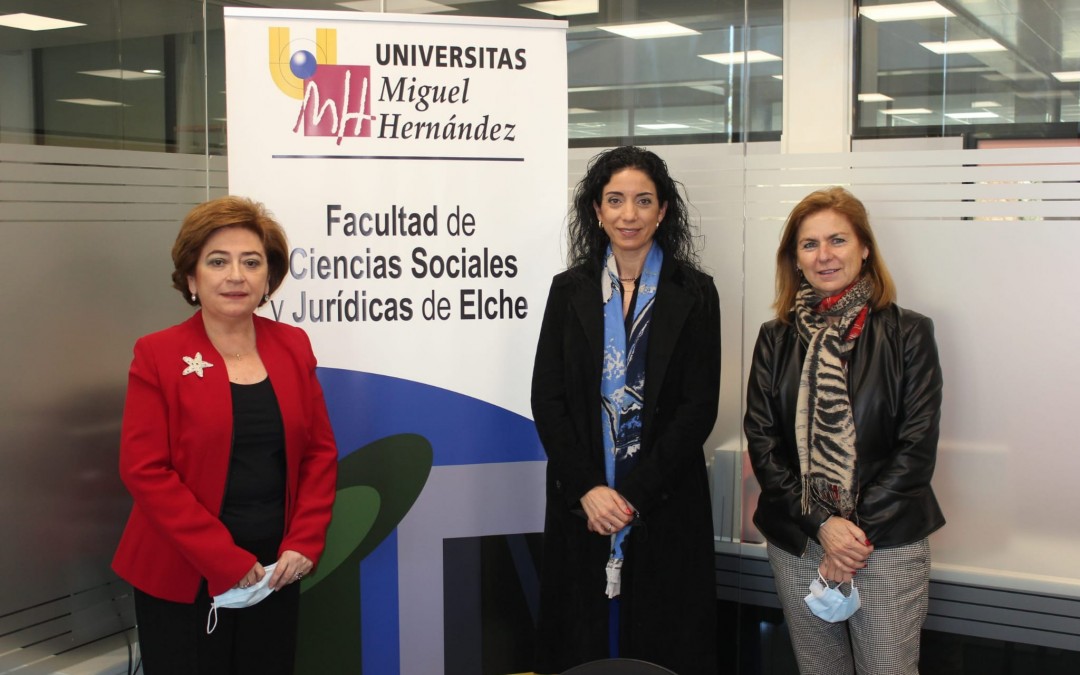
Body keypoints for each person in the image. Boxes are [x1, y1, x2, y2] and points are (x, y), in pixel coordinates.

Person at [111, 196, 338, 674]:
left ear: (267, 278)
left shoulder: (292, 345)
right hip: (182, 576)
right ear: (192, 278)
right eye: (218, 261)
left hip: (274, 571)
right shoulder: (157, 353)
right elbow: (144, 470)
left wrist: (305, 541)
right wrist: (224, 558)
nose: (236, 275)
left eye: (251, 262)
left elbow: (318, 452)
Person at [531, 146, 720, 675]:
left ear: (663, 211)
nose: (628, 214)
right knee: (581, 642)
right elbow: (547, 400)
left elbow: (697, 408)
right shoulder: (568, 291)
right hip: (583, 503)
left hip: (664, 501)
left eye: (643, 201)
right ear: (597, 210)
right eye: (615, 200)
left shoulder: (696, 293)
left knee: (663, 643)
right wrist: (591, 489)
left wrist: (632, 497)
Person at [744, 186, 944, 674]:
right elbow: (763, 441)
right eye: (809, 244)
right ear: (795, 258)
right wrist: (823, 527)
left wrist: (850, 538)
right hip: (799, 539)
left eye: (838, 240)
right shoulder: (775, 338)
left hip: (885, 542)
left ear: (865, 248)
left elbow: (916, 448)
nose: (824, 255)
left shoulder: (909, 333)